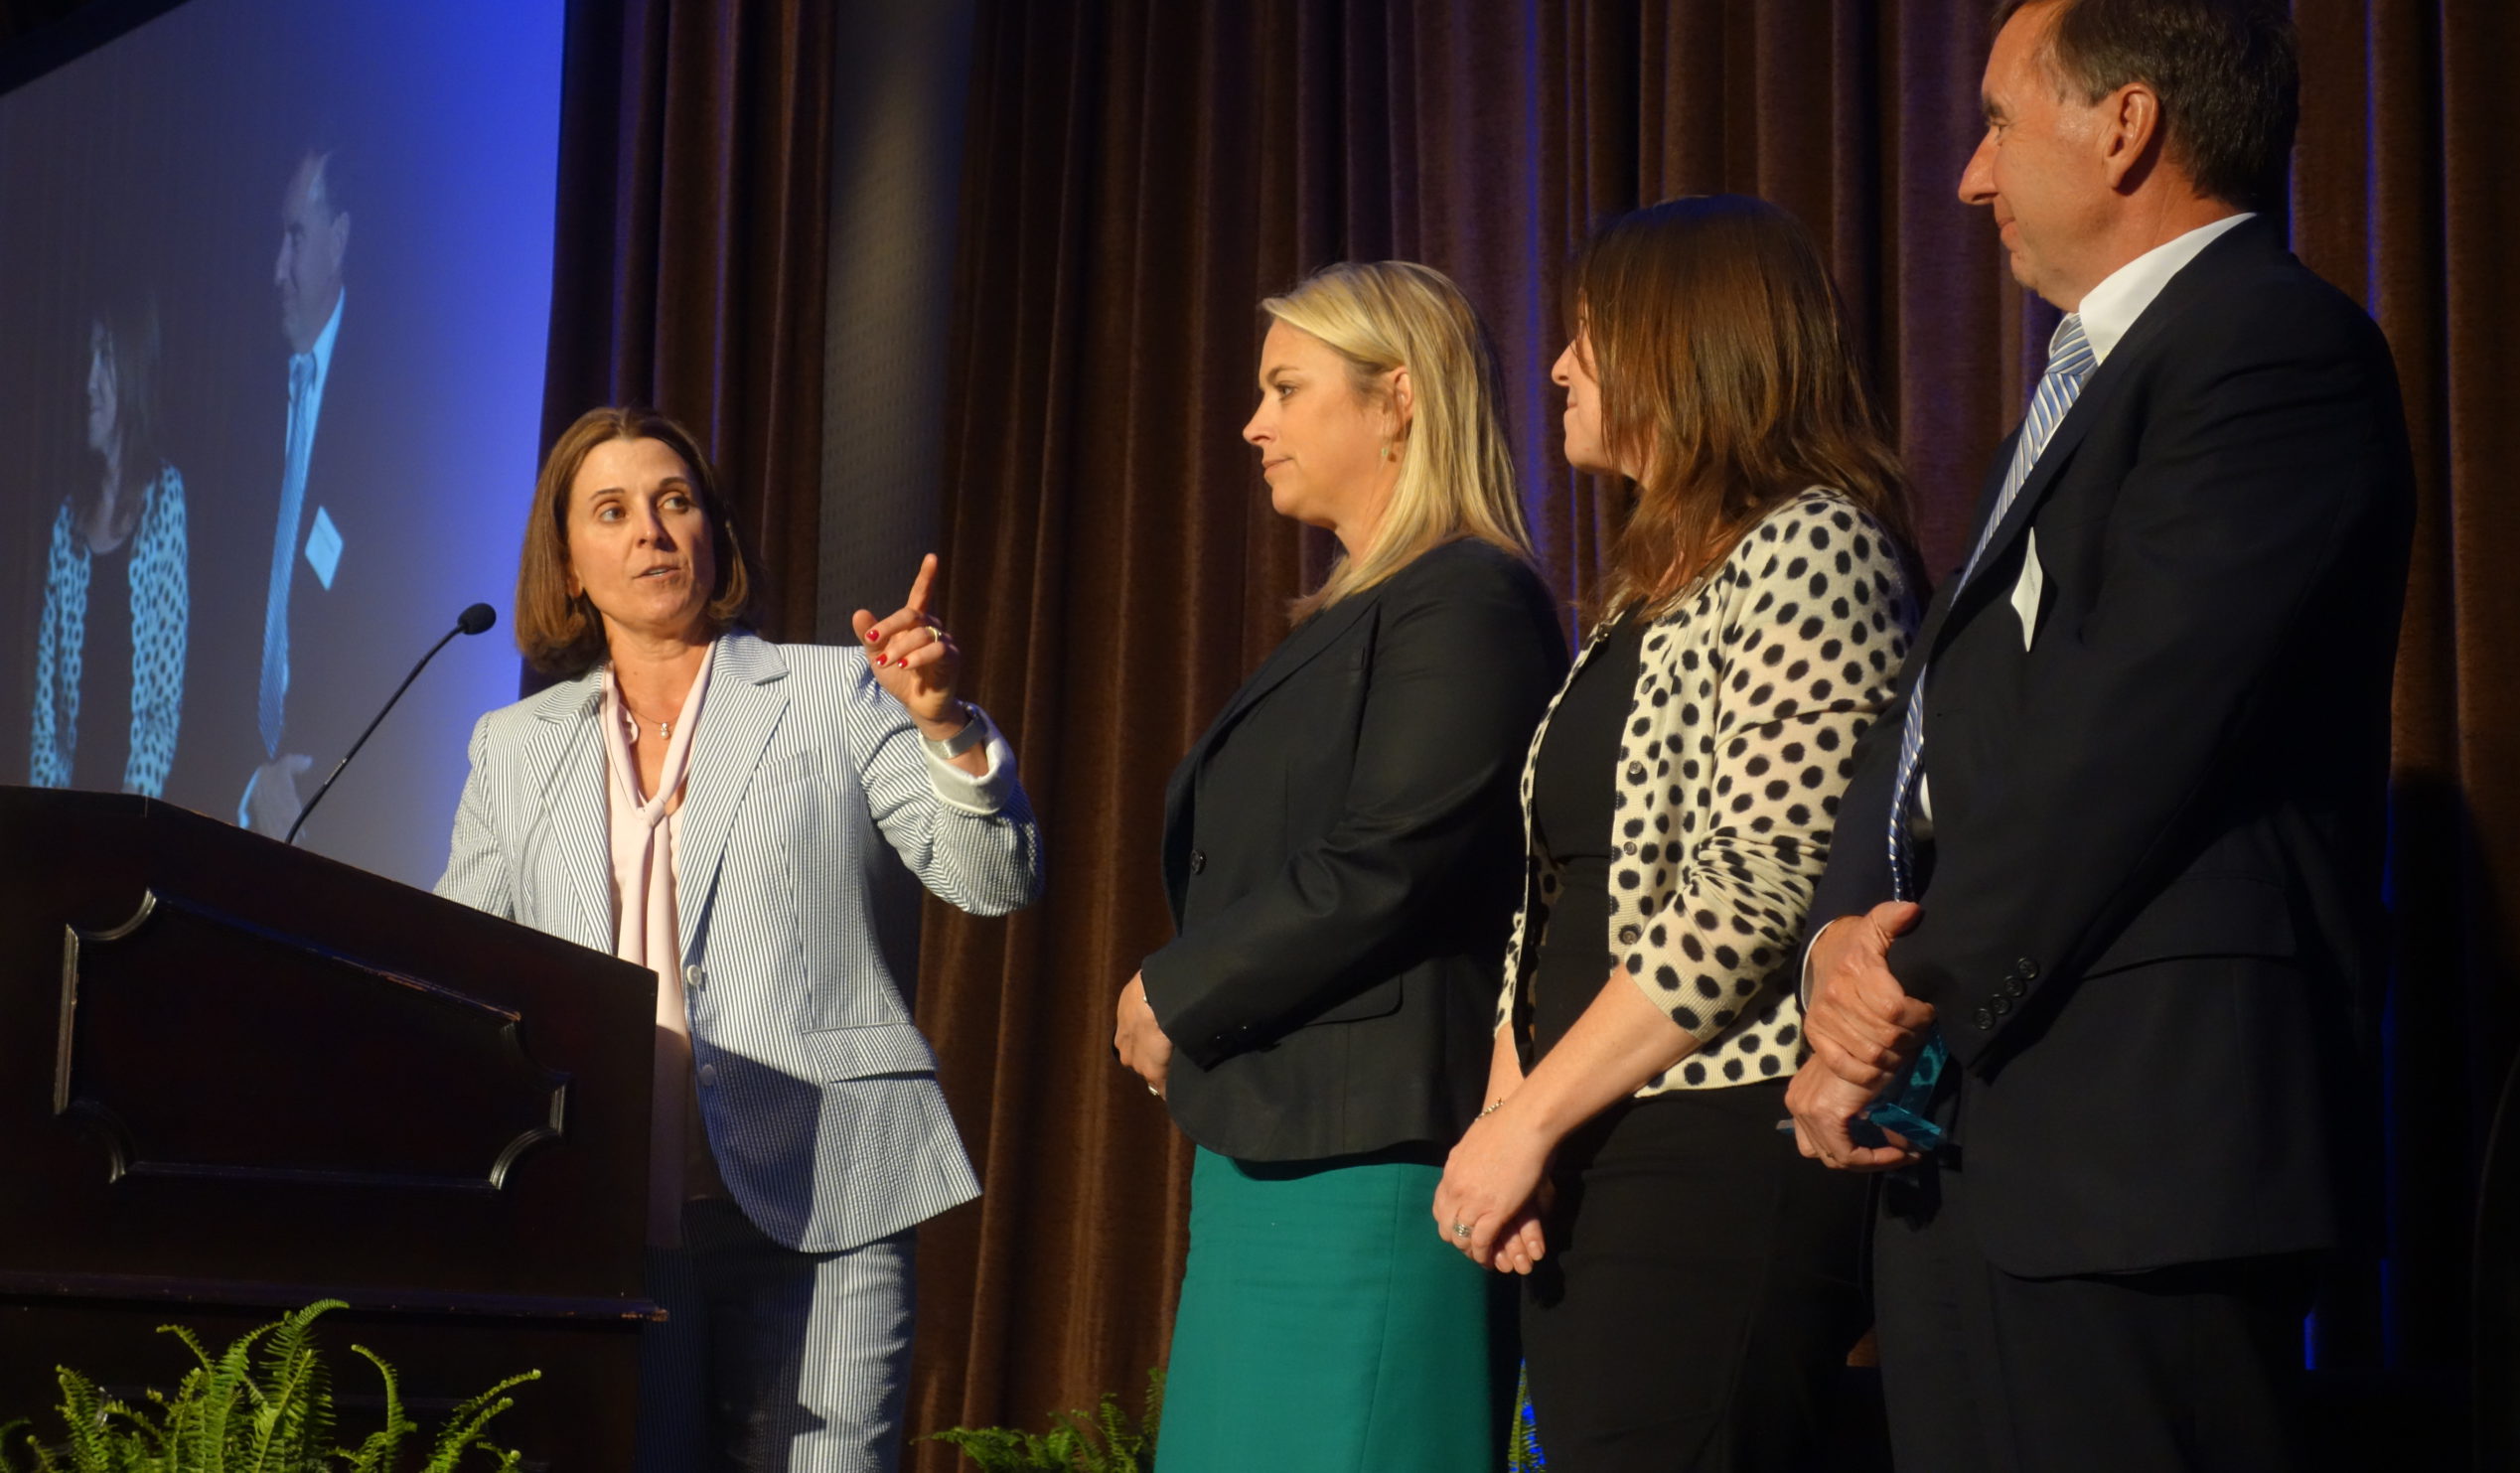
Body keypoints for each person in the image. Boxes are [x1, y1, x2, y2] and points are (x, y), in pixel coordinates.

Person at [1786, 0, 2415, 1473]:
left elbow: (2125, 735)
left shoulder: (2270, 351)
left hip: (2142, 1146)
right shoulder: (2086, 384)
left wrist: (1890, 998)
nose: (1966, 176)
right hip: (1979, 1137)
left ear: (2125, 126)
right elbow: (1943, 716)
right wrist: (1832, 941)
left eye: (1999, 121)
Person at [434, 405, 1042, 1471]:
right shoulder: (514, 748)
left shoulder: (829, 692)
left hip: (829, 1198)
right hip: (621, 1223)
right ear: (568, 563)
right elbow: (465, 972)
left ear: (712, 531)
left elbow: (992, 880)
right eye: (612, 512)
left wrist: (946, 723)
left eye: (675, 503)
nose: (651, 534)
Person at [1431, 196, 1916, 1471]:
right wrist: (1511, 1101)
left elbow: (1755, 889)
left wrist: (1530, 1121)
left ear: (1680, 348)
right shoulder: (1654, 587)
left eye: (1588, 334)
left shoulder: (1813, 544)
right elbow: (1553, 892)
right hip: (1599, 1134)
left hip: (1717, 1143)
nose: (1557, 367)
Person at [1112, 261, 1565, 1473]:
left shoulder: (1467, 599)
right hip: (1276, 1150)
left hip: (1373, 1166)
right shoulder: (1365, 613)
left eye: (1286, 387)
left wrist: (1175, 989)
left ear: (1397, 399)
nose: (1254, 423)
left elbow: (1391, 857)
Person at [31, 298, 189, 796]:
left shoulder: (165, 500)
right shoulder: (67, 524)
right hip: (67, 823)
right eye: (89, 359)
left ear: (134, 371)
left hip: (133, 824)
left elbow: (164, 704)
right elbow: (45, 717)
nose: (88, 383)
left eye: (105, 358)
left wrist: (127, 825)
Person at [241, 146, 353, 837]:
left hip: (344, 813)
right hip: (236, 792)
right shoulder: (250, 394)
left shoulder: (389, 413)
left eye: (295, 237)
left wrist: (303, 779)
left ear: (338, 240)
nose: (276, 271)